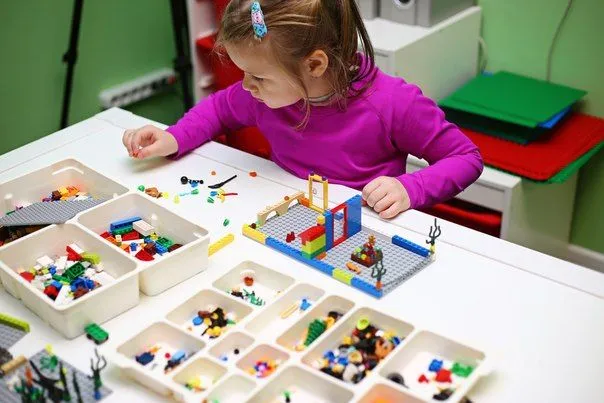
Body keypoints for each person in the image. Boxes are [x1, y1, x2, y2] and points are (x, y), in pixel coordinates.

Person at [122, 0, 483, 219]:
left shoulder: (393, 104)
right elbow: (217, 109)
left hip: (362, 227)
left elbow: (466, 158)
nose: (246, 86)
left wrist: (410, 188)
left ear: (314, 65)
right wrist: (173, 138)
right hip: (286, 215)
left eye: (258, 77)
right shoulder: (261, 95)